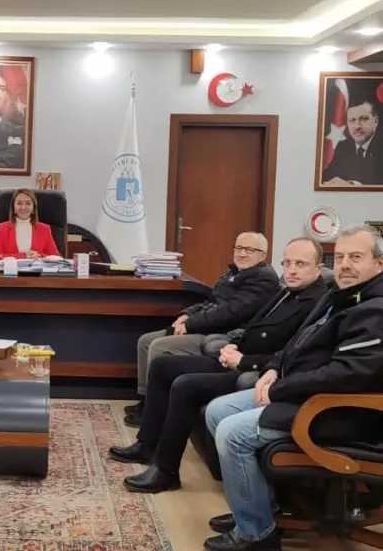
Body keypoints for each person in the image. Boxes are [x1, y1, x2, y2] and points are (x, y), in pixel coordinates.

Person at [203, 225, 383, 551]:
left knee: (232, 433)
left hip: (340, 411)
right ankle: (260, 509)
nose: (345, 264)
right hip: (306, 396)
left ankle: (256, 534)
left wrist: (281, 388)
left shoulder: (375, 310)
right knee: (218, 410)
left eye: (356, 257)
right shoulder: (338, 294)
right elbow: (297, 343)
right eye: (341, 257)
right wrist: (273, 368)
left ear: (379, 263)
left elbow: (345, 375)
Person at [109, 237, 327, 493]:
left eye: (300, 264)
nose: (291, 270)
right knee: (162, 366)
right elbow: (252, 326)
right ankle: (147, 445)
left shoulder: (315, 303)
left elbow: (291, 355)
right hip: (237, 358)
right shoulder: (286, 292)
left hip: (255, 373)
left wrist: (244, 360)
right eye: (287, 263)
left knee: (186, 385)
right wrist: (233, 345)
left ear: (319, 268)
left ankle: (166, 471)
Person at [125, 232, 280, 427]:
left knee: (159, 346)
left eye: (249, 250)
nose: (242, 254)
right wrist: (187, 314)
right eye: (239, 248)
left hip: (224, 335)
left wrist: (190, 324)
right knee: (145, 341)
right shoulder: (234, 272)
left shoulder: (263, 279)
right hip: (208, 327)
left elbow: (231, 313)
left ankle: (154, 414)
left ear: (263, 255)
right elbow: (212, 301)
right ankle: (146, 401)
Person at [322, 99, 383, 186]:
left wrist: (352, 185)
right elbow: (325, 178)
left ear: (376, 121)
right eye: (352, 120)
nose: (357, 126)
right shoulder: (343, 147)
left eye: (363, 119)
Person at [0, 188, 60, 261]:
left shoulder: (45, 229)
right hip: (11, 268)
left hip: (36, 268)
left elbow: (56, 258)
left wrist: (39, 256)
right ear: (13, 208)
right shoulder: (1, 229)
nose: (23, 207)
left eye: (28, 203)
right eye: (19, 203)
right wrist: (23, 256)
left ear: (33, 208)